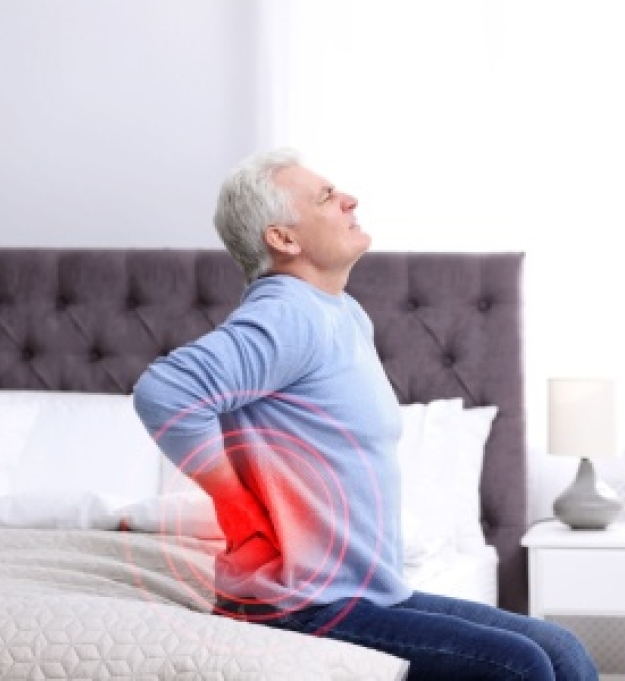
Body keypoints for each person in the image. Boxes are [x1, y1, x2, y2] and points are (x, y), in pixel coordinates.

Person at [132, 148, 599, 681]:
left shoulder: (342, 312)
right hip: (297, 605)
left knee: (560, 649)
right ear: (284, 239)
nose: (350, 200)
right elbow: (165, 391)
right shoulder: (288, 313)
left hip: (366, 593)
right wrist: (233, 499)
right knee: (520, 667)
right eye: (326, 197)